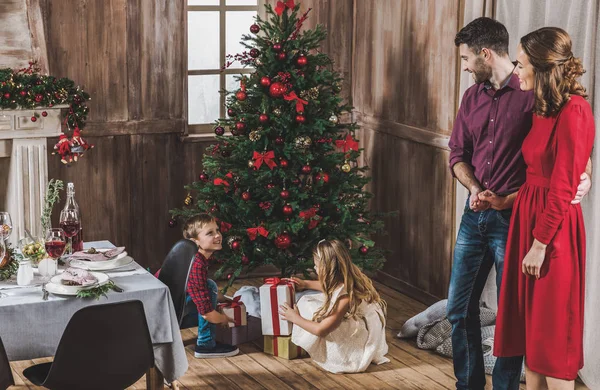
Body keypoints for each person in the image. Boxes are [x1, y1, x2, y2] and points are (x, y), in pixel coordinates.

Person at [447, 18, 591, 390]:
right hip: (485, 212)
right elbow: (457, 153)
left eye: (466, 59)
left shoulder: (541, 98)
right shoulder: (477, 98)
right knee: (468, 312)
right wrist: (480, 190)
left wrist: (585, 177)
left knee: (529, 323)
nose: (464, 67)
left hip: (524, 222)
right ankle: (469, 386)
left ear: (485, 53)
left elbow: (570, 160)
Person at [493, 27, 594, 390]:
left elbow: (564, 183)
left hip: (552, 233)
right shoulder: (541, 107)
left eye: (520, 64)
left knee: (552, 341)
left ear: (541, 66)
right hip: (527, 216)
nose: (516, 71)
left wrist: (539, 244)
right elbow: (541, 170)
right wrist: (508, 201)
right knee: (531, 340)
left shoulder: (576, 111)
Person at [278, 239, 389, 373]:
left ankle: (341, 351)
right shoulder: (342, 277)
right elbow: (330, 287)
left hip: (358, 329)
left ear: (327, 268)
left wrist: (295, 318)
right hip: (352, 315)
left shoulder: (345, 296)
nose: (314, 268)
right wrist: (305, 284)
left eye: (316, 266)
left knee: (314, 314)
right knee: (307, 301)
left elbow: (321, 330)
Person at [182, 214, 239, 358]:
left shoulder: (193, 257)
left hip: (173, 308)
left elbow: (197, 289)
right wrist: (224, 319)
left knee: (209, 285)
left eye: (217, 230)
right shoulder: (196, 264)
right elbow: (206, 312)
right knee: (209, 287)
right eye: (210, 233)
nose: (218, 235)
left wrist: (225, 299)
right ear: (195, 241)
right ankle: (205, 345)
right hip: (170, 313)